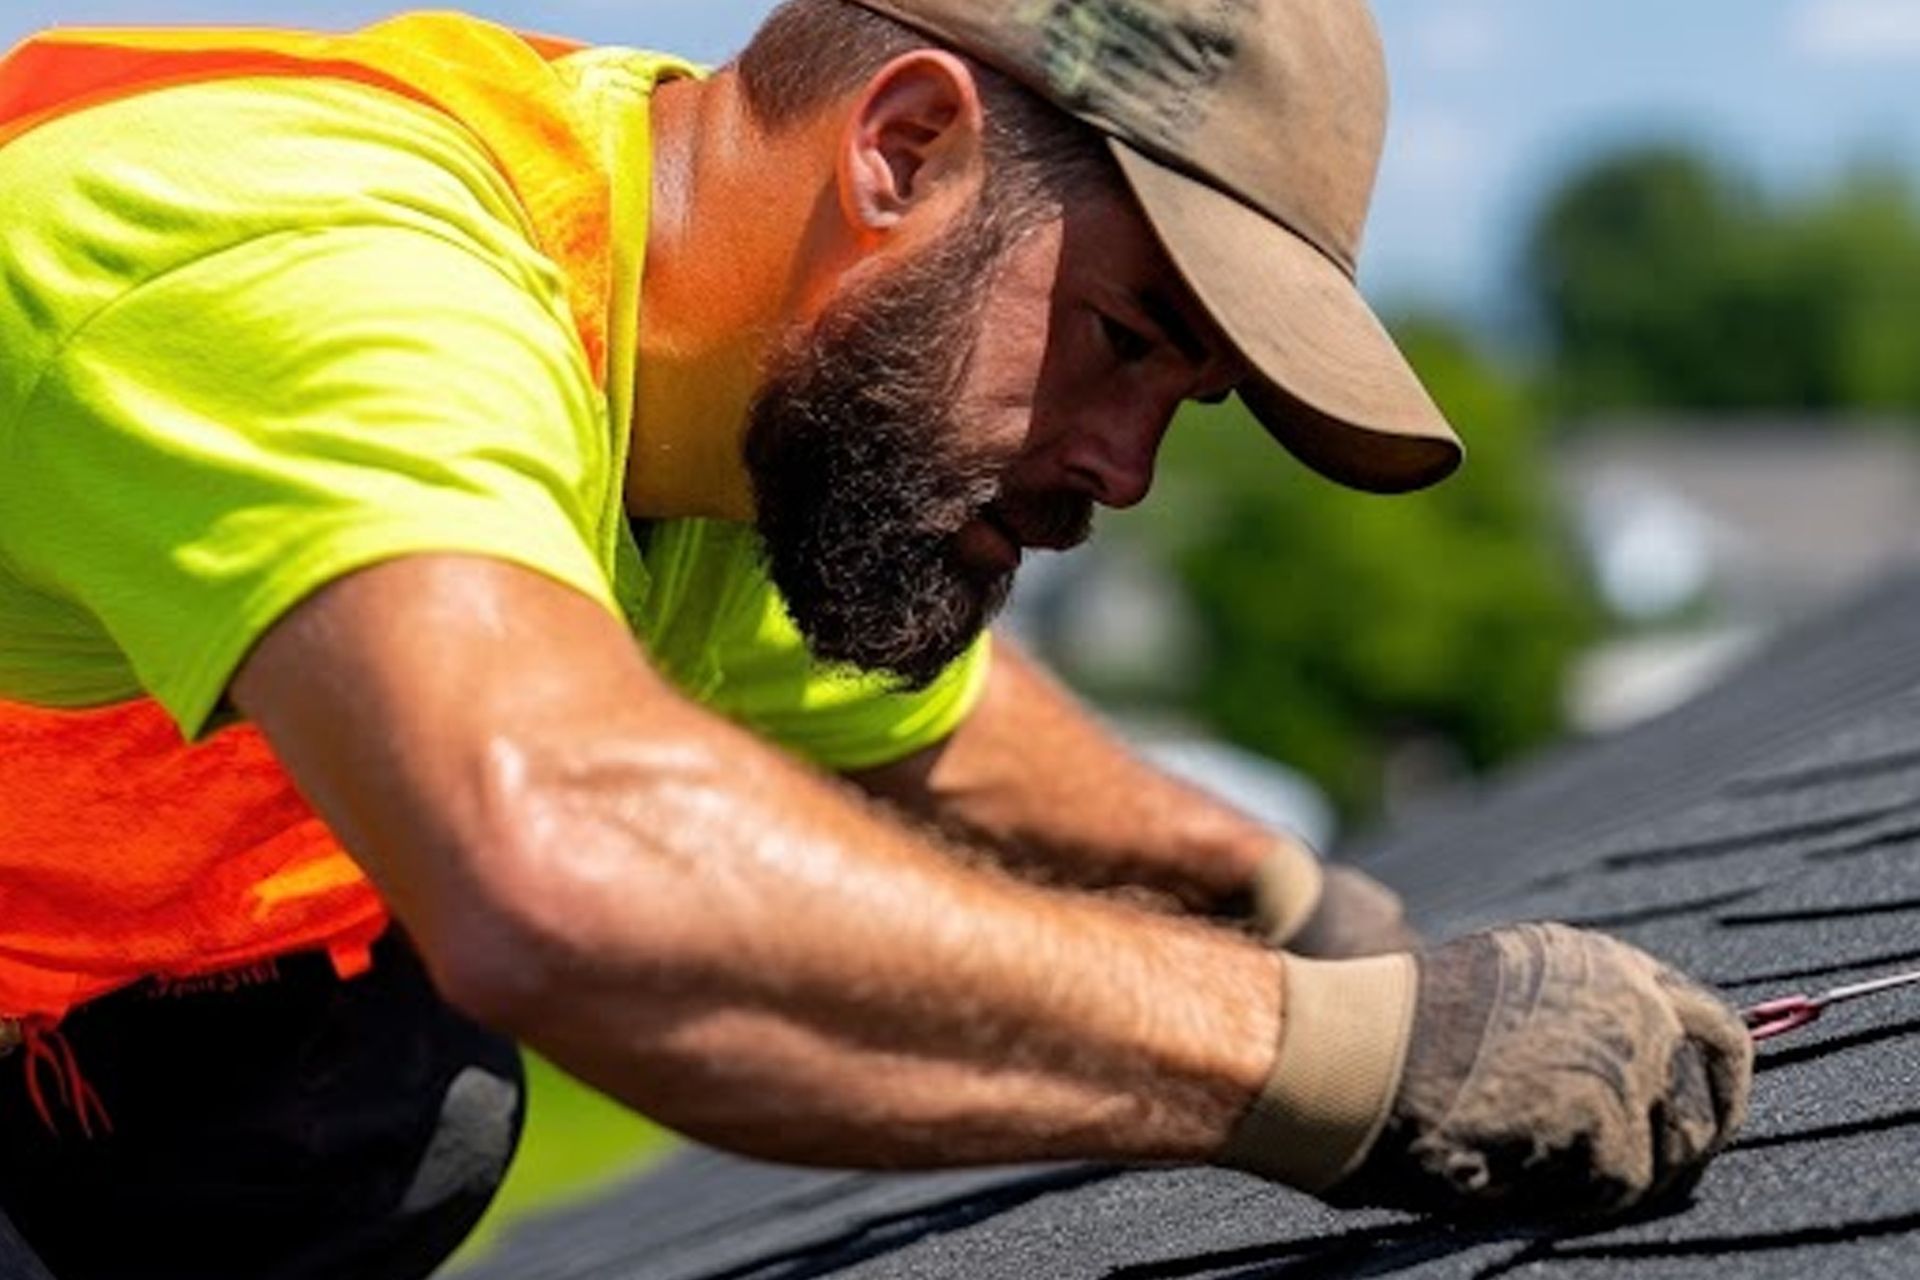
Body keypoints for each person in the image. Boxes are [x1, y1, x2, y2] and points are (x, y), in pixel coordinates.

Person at [0, 1, 1754, 1276]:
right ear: (905, 148)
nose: (1126, 472)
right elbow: (570, 869)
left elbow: (931, 728)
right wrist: (1347, 1064)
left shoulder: (698, 362)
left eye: (1183, 400)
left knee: (340, 1118)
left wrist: (1291, 901)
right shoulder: (311, 258)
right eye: (1123, 337)